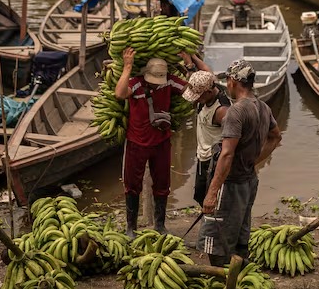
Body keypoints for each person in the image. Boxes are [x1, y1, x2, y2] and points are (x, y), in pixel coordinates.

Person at [199, 60, 282, 267]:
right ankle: (238, 271)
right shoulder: (263, 107)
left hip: (231, 182)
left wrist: (211, 192)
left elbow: (227, 154)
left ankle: (221, 279)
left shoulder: (236, 111)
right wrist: (253, 161)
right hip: (249, 180)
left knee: (216, 236)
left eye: (227, 80)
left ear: (234, 81)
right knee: (240, 229)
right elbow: (275, 137)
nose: (226, 84)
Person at [114, 47, 197, 238]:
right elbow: (119, 94)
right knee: (131, 184)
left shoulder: (169, 82)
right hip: (136, 141)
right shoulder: (136, 84)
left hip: (161, 141)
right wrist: (127, 67)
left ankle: (160, 224)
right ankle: (130, 226)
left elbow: (191, 92)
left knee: (162, 183)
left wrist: (190, 66)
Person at [182, 69, 231, 208]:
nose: (196, 98)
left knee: (213, 200)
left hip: (214, 161)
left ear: (209, 91)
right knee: (200, 195)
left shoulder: (222, 111)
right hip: (202, 157)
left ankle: (213, 226)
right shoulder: (204, 99)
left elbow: (232, 141)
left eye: (198, 95)